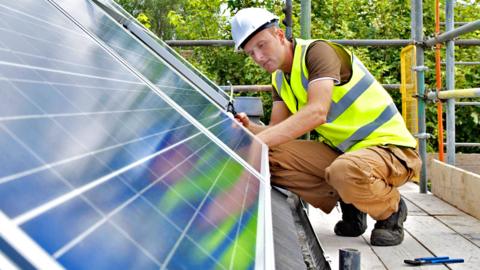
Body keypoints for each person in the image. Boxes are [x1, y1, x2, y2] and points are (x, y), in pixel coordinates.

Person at [230, 7, 422, 246]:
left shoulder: (317, 52)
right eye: (250, 53)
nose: (258, 57)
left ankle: (390, 211)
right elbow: (276, 131)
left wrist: (260, 141)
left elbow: (317, 112)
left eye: (262, 45)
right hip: (347, 154)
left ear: (279, 36)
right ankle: (352, 201)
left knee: (345, 170)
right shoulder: (279, 79)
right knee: (267, 158)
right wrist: (250, 130)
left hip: (389, 150)